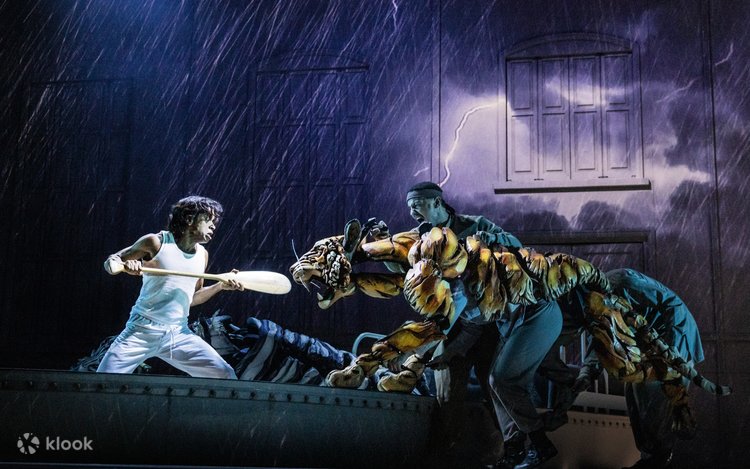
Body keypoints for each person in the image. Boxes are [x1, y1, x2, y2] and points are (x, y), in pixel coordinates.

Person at [373, 181, 525, 462]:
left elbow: (515, 245)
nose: (412, 212)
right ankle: (446, 456)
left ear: (436, 202)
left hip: (487, 325)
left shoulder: (475, 225)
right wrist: (382, 241)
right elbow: (401, 266)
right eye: (409, 207)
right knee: (446, 397)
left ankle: (515, 452)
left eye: (417, 205)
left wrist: (491, 240)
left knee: (496, 388)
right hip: (450, 326)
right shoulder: (418, 237)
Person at [534, 268, 704, 469]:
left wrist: (671, 353)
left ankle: (657, 457)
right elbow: (601, 341)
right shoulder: (593, 304)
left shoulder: (622, 283)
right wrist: (585, 376)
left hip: (673, 338)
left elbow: (673, 308)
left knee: (649, 397)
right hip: (650, 345)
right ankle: (652, 456)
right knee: (635, 399)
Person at [96, 196, 243, 379]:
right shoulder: (156, 242)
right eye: (208, 219)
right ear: (189, 218)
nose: (214, 225)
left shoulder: (202, 255)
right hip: (141, 331)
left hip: (178, 333)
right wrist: (126, 265)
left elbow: (192, 298)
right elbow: (111, 262)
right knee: (101, 382)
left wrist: (220, 286)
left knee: (225, 374)